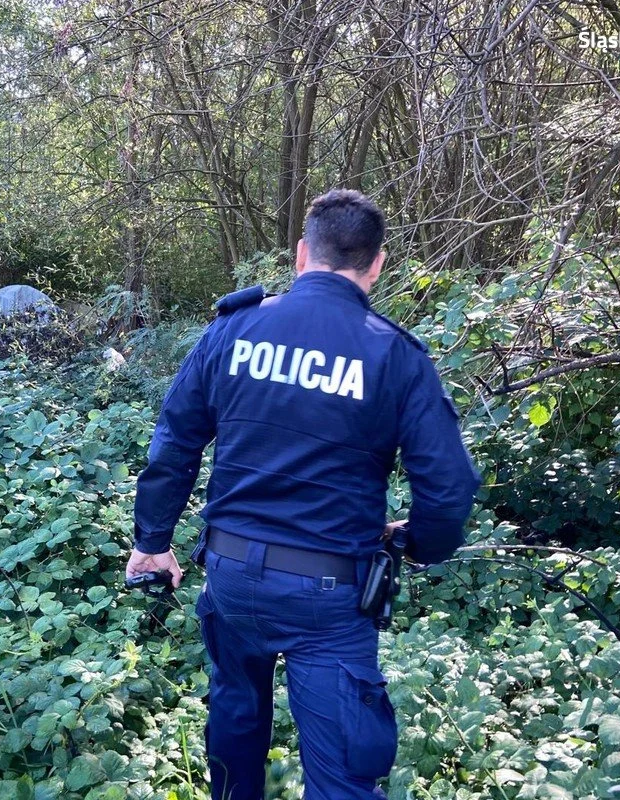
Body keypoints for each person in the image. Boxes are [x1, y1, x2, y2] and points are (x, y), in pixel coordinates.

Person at [125, 188, 482, 800]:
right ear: (377, 264)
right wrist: (418, 543)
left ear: (300, 254)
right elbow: (449, 487)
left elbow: (175, 443)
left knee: (234, 729)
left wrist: (152, 541)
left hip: (231, 578)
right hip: (329, 598)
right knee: (343, 775)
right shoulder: (393, 354)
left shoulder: (233, 329)